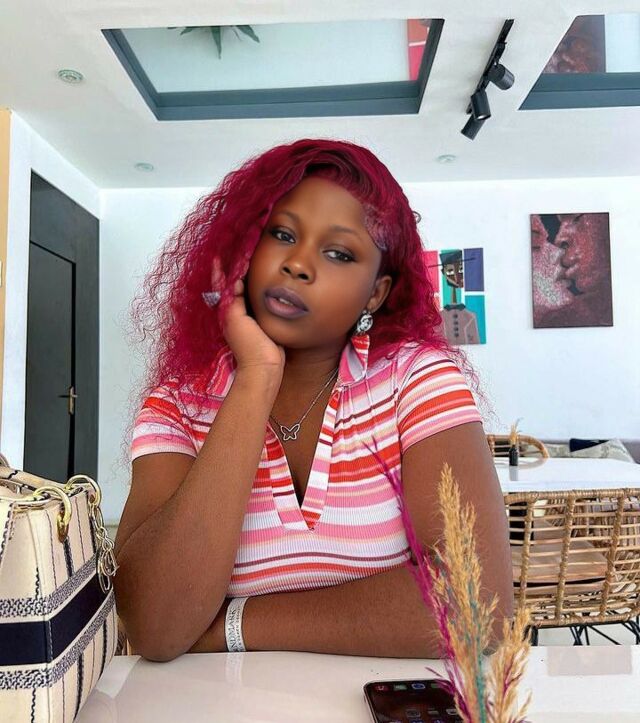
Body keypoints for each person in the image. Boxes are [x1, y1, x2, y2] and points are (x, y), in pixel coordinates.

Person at [114, 138, 513, 662]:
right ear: (244, 249)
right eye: (281, 234)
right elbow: (154, 624)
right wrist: (256, 377)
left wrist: (231, 623)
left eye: (339, 253)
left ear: (375, 293)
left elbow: (476, 602)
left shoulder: (416, 379)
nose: (298, 264)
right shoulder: (177, 406)